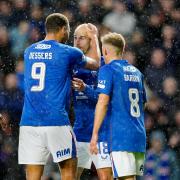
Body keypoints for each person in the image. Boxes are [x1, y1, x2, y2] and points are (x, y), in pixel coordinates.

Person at [18, 13, 100, 180]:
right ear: (63, 29)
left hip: (29, 122)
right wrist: (93, 37)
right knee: (69, 170)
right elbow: (96, 63)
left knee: (33, 176)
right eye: (69, 31)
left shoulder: (28, 51)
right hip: (56, 120)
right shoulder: (68, 52)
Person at [90, 32, 147, 180]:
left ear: (105, 51)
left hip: (121, 136)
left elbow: (102, 101)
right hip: (138, 135)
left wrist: (95, 133)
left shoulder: (108, 70)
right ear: (122, 50)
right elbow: (144, 103)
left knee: (125, 178)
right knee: (130, 177)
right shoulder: (137, 72)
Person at [72, 24, 112, 180]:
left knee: (106, 177)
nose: (77, 42)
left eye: (82, 38)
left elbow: (106, 99)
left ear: (92, 40)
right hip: (80, 131)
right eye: (75, 37)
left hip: (101, 133)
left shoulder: (105, 66)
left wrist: (85, 88)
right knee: (70, 176)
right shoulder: (72, 65)